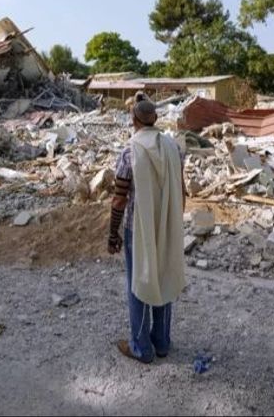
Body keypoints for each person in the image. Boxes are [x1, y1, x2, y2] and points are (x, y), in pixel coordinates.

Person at [107, 93, 186, 363]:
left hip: (136, 227)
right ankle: (161, 341)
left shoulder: (130, 151)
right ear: (155, 119)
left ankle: (141, 346)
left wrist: (112, 233)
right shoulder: (173, 148)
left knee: (138, 281)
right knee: (163, 274)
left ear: (133, 120)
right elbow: (181, 189)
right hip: (167, 223)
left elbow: (119, 198)